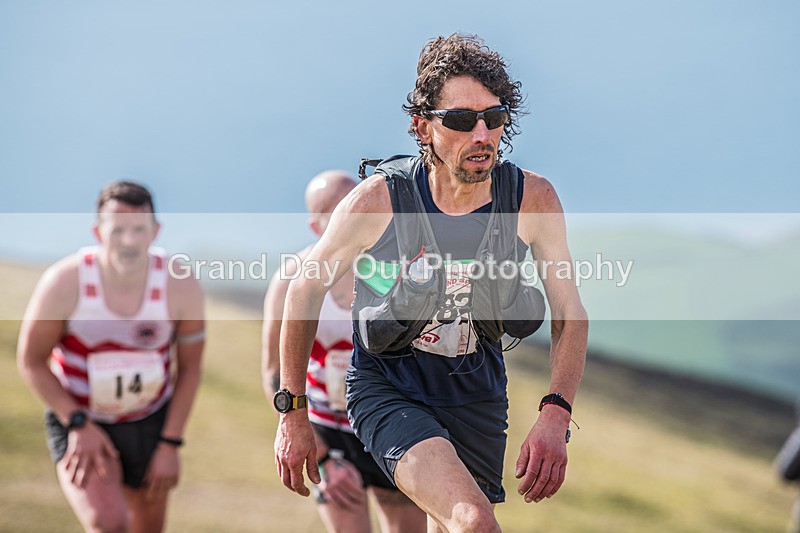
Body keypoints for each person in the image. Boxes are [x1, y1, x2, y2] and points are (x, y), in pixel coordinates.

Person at [274, 33, 588, 532]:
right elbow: (303, 289)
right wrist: (292, 411)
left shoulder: (532, 199)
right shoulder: (380, 201)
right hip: (390, 389)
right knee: (473, 522)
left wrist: (556, 412)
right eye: (463, 120)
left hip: (477, 393)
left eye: (495, 117)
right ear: (422, 127)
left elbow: (571, 315)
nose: (482, 133)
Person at [17, 181, 205, 533]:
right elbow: (31, 360)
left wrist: (170, 444)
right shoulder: (64, 281)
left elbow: (191, 368)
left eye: (139, 229)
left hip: (150, 419)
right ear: (97, 231)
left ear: (156, 231)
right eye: (117, 229)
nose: (129, 240)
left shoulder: (180, 284)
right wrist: (76, 424)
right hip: (82, 417)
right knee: (109, 524)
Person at [263, 170, 426, 533]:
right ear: (315, 224)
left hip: (387, 423)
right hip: (326, 429)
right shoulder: (292, 279)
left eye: (354, 205)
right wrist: (318, 449)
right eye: (334, 211)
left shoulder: (395, 273)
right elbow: (273, 370)